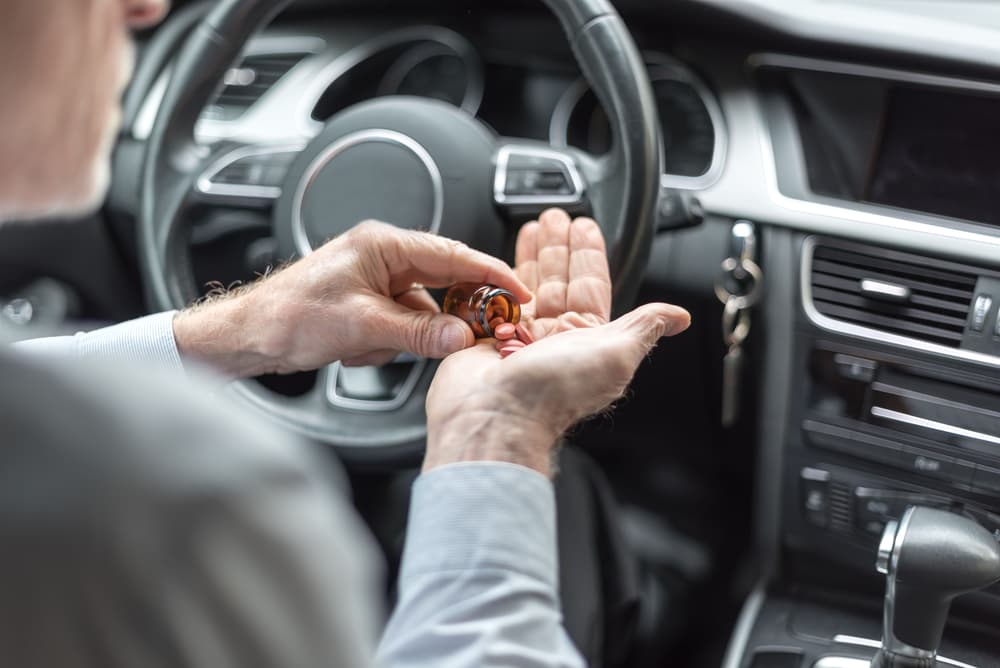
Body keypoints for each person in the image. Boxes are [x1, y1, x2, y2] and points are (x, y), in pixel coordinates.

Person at [0, 0, 692, 666]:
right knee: (569, 496)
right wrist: (495, 435)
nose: (146, 5)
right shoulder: (190, 498)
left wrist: (244, 327)